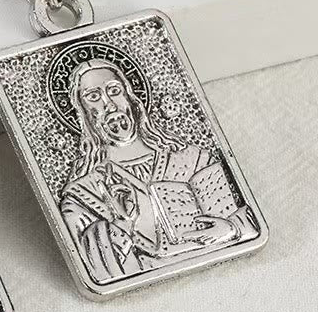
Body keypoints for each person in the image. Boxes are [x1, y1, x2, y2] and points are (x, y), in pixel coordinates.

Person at [59, 60, 258, 283]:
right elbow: (92, 264)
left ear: (130, 97)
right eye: (93, 96)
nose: (109, 105)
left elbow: (246, 217)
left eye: (114, 91)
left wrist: (232, 229)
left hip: (231, 274)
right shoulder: (83, 193)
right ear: (83, 112)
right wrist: (121, 225)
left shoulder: (192, 158)